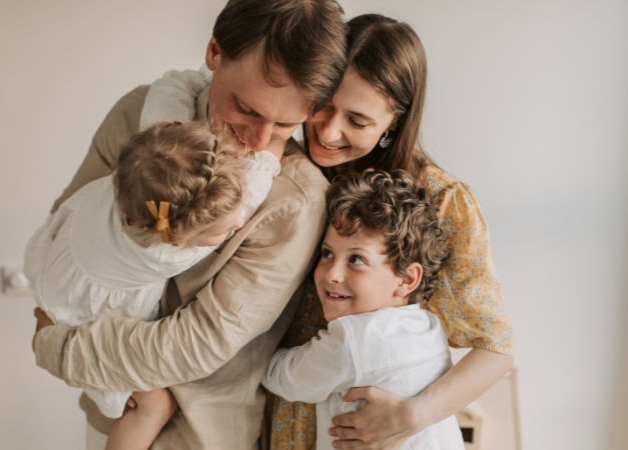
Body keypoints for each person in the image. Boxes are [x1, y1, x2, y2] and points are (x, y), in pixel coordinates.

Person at [31, 1, 348, 449]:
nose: (257, 142)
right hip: (112, 411)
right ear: (215, 52)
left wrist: (56, 346)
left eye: (285, 125)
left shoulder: (295, 200)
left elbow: (199, 342)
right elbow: (69, 226)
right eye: (247, 109)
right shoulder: (136, 114)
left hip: (201, 436)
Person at [263, 14, 515, 450]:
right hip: (278, 419)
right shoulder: (285, 169)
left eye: (357, 121)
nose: (328, 130)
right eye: (323, 104)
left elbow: (495, 350)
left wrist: (409, 417)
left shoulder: (441, 202)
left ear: (394, 122)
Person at [25, 120, 284, 450]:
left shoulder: (143, 167)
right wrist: (277, 140)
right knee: (154, 404)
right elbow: (257, 185)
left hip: (56, 266)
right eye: (223, 231)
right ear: (173, 236)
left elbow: (167, 97)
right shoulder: (164, 252)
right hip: (78, 309)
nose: (240, 223)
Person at [262, 169, 464, 450]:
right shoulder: (427, 325)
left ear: (407, 279)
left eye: (356, 259)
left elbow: (285, 379)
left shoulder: (355, 338)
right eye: (327, 253)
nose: (332, 273)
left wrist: (258, 340)